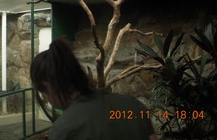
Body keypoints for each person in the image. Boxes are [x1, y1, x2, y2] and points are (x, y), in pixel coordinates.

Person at [30, 38, 158, 140]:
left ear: (47, 85)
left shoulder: (64, 129)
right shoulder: (134, 106)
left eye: (43, 95)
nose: (48, 101)